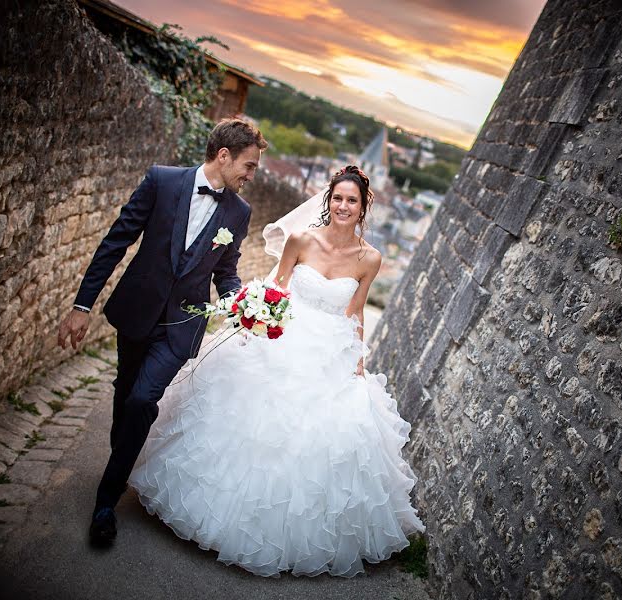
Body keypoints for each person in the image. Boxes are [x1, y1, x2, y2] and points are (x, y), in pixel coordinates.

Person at [129, 165, 425, 577]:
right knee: (248, 417)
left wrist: (358, 360)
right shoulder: (302, 239)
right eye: (337, 198)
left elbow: (355, 312)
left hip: (330, 349)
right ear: (329, 200)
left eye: (351, 200)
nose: (343, 205)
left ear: (363, 207)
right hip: (283, 334)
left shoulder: (369, 259)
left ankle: (278, 536)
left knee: (314, 435)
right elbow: (278, 286)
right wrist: (256, 321)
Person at [56, 118, 268, 545]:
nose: (250, 176)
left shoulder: (239, 213)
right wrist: (82, 305)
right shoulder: (162, 181)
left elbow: (226, 271)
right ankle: (123, 456)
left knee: (142, 398)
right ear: (223, 156)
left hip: (180, 326)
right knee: (126, 391)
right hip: (136, 311)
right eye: (248, 166)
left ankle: (105, 504)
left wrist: (243, 303)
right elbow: (116, 242)